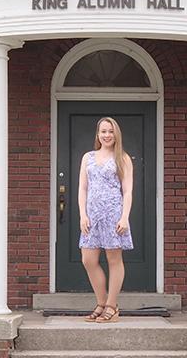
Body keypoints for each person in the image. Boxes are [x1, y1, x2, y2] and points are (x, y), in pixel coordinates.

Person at [78, 117, 134, 323]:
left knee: (114, 260)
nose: (107, 135)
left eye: (110, 131)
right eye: (103, 131)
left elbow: (127, 191)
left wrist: (125, 216)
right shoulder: (88, 157)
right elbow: (82, 188)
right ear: (98, 134)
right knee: (88, 260)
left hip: (114, 215)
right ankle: (102, 302)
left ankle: (111, 305)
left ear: (116, 134)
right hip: (92, 217)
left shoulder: (123, 158)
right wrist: (82, 214)